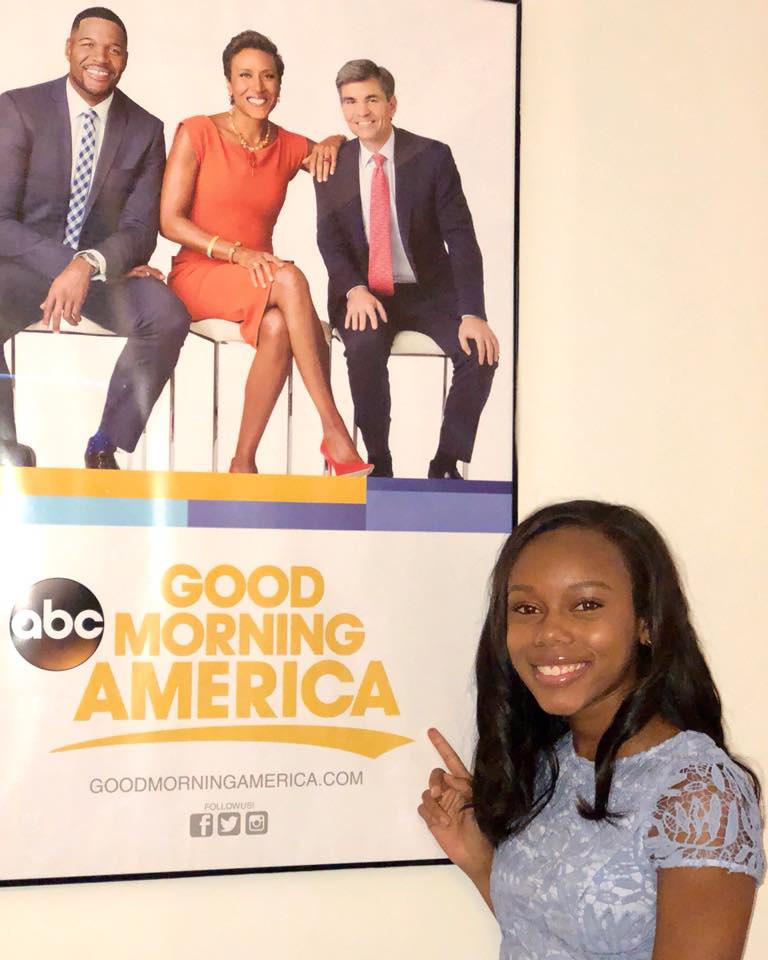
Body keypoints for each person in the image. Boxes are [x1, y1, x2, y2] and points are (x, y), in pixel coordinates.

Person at [418, 500, 764, 960]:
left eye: (586, 605)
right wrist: (478, 857)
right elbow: (549, 939)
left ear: (647, 623)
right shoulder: (549, 765)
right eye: (526, 608)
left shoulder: (698, 793)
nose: (548, 633)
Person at [160, 31, 369, 477]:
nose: (257, 87)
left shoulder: (287, 144)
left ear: (279, 85)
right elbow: (170, 221)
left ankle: (242, 463)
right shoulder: (197, 132)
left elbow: (336, 156)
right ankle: (333, 428)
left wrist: (334, 139)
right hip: (201, 272)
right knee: (290, 277)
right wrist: (236, 253)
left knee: (277, 326)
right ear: (229, 83)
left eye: (268, 76)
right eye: (245, 76)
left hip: (260, 279)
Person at [0, 7, 190, 469]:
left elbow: (140, 230)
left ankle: (106, 444)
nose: (100, 58)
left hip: (104, 275)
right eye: (88, 45)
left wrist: (87, 265)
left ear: (125, 59)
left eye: (114, 49)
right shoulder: (19, 109)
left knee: (166, 315)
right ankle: (5, 446)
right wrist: (65, 266)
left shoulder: (145, 129)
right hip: (27, 267)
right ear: (69, 48)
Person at [314, 59, 499, 479]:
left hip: (428, 291)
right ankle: (378, 462)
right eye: (349, 101)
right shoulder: (331, 164)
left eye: (371, 99)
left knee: (480, 352)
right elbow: (329, 240)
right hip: (363, 292)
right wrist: (354, 290)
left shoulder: (432, 157)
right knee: (362, 346)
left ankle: (446, 463)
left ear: (392, 104)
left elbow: (462, 238)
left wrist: (473, 312)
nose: (361, 111)